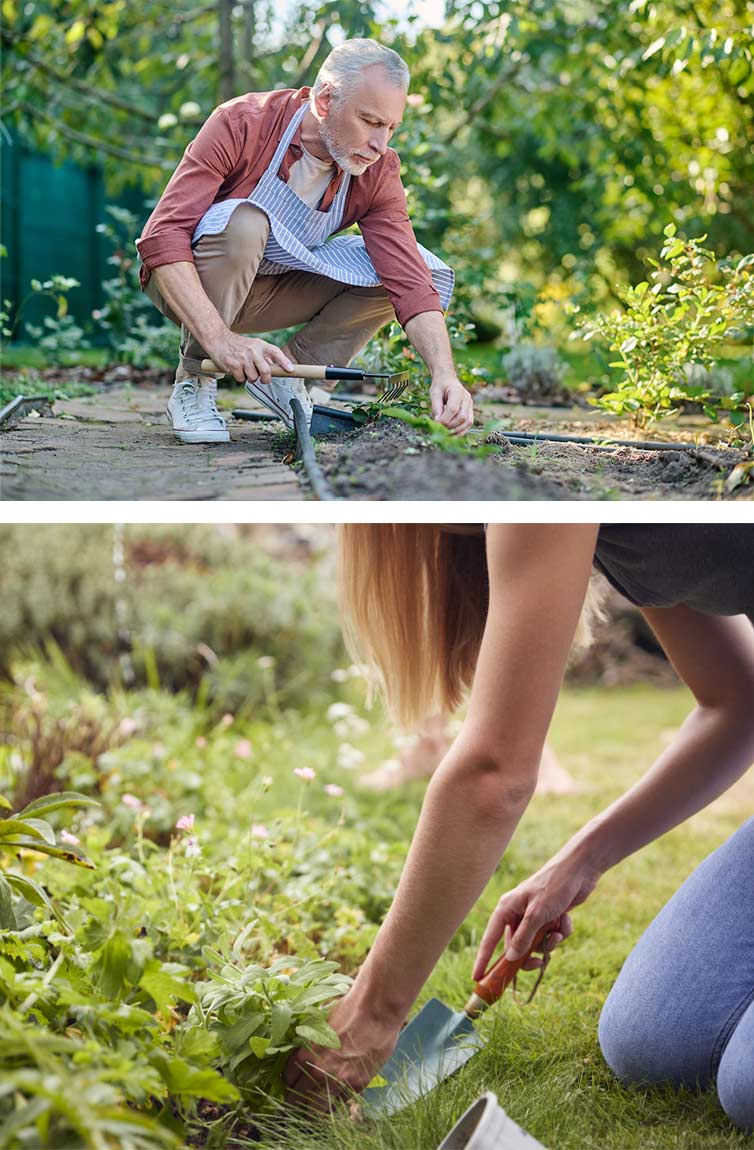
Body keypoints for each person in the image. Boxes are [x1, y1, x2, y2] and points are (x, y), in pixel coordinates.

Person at [283, 523, 754, 1133]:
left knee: (745, 1085)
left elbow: (494, 775)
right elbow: (738, 704)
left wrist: (375, 1013)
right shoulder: (628, 540)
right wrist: (579, 860)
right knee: (649, 1042)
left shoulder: (542, 510)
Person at [136, 39, 474, 444]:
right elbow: (162, 237)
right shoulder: (243, 123)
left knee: (417, 269)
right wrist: (220, 341)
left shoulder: (377, 170)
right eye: (369, 121)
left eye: (390, 127)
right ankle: (194, 381)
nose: (379, 144)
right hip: (193, 285)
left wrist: (444, 375)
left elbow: (410, 282)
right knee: (245, 223)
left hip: (272, 291)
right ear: (326, 100)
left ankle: (287, 376)